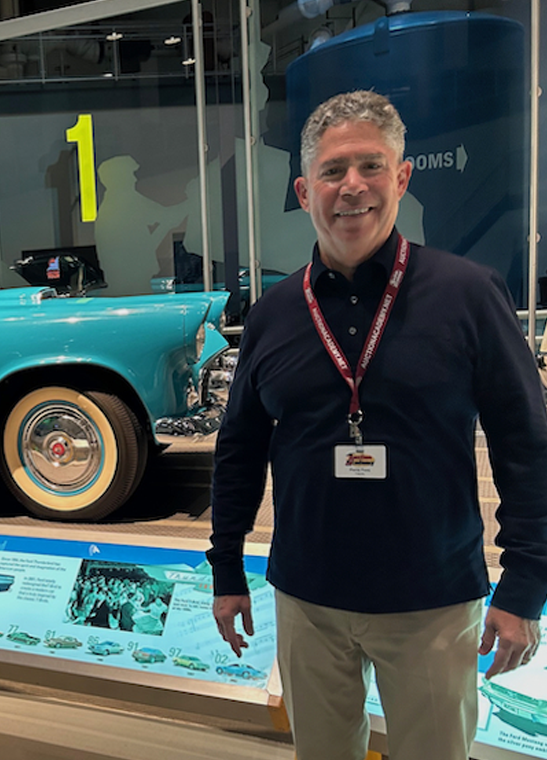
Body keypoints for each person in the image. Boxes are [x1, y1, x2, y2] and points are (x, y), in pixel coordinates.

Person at [208, 89, 547, 760]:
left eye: (370, 166)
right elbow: (239, 449)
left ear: (402, 178)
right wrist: (226, 571)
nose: (352, 187)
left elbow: (527, 447)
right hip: (308, 600)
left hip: (431, 602)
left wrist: (527, 585)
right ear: (305, 191)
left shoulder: (469, 295)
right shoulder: (274, 314)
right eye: (333, 172)